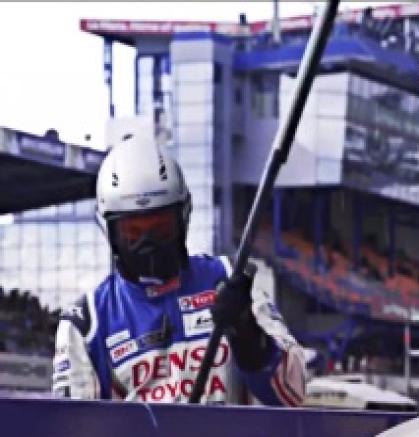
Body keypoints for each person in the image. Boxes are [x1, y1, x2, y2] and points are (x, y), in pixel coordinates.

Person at [51, 135, 306, 405]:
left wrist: (248, 332)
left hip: (230, 434)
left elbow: (293, 393)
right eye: (133, 232)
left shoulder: (231, 278)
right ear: (108, 229)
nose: (148, 244)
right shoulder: (86, 323)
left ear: (183, 216)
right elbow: (75, 426)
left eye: (160, 228)